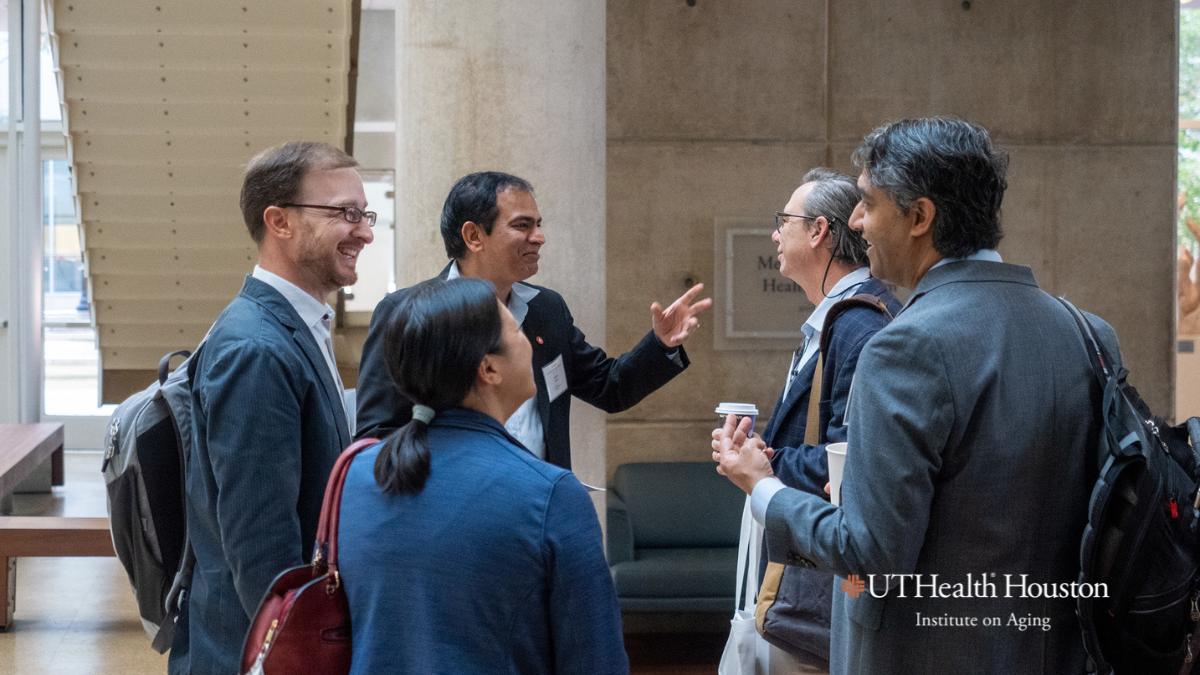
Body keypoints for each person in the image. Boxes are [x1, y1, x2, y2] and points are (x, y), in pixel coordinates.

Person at [714, 117, 1119, 674]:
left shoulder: (904, 347)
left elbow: (871, 555)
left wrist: (762, 488)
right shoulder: (1089, 334)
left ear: (920, 217)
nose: (856, 222)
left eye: (867, 203)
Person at [338, 277, 627, 673]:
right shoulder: (551, 496)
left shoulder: (354, 478)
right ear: (489, 368)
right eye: (515, 328)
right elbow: (595, 661)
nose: (529, 340)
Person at [170, 141, 374, 674]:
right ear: (279, 221)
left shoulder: (295, 326)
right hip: (255, 650)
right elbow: (261, 544)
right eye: (344, 214)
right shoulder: (256, 349)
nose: (365, 231)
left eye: (365, 213)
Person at [356, 171, 711, 468]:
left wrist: (662, 343)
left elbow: (610, 388)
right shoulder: (407, 312)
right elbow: (378, 435)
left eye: (538, 224)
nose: (539, 238)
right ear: (474, 236)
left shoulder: (546, 310)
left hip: (537, 509)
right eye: (523, 226)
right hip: (451, 514)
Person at [720, 168, 899, 669]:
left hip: (829, 574)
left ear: (819, 230)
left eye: (785, 222)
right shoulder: (840, 317)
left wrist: (762, 464)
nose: (776, 234)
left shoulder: (859, 323)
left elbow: (850, 460)